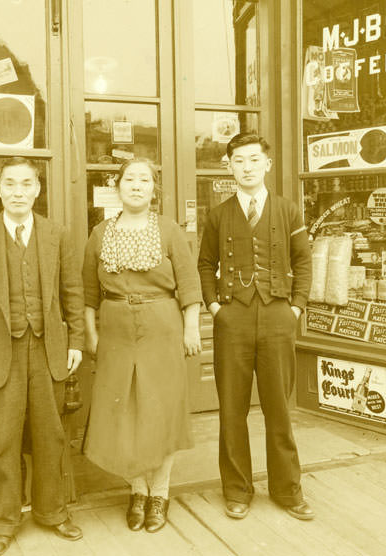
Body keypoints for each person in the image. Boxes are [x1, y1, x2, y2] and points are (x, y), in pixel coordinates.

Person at [0, 157, 85, 556]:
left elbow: (72, 293)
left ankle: (52, 511)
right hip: (0, 354)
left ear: (37, 189)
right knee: (6, 439)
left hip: (48, 351)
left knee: (51, 435)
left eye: (26, 184)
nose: (18, 192)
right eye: (10, 184)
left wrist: (76, 341)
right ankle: (4, 521)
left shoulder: (56, 234)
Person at [197, 132, 315, 522]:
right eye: (238, 161)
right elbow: (204, 264)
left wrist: (296, 307)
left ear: (267, 164)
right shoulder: (218, 214)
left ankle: (288, 491)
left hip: (279, 317)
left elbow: (303, 263)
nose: (246, 167)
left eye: (253, 160)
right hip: (233, 319)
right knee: (232, 409)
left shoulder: (288, 210)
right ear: (229, 167)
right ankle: (237, 490)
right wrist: (215, 307)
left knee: (278, 408)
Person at [81, 159, 202, 533]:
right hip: (116, 330)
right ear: (118, 187)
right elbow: (87, 293)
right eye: (129, 179)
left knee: (160, 411)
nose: (136, 186)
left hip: (162, 327)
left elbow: (189, 283)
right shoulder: (100, 233)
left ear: (154, 189)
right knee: (126, 413)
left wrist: (191, 327)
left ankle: (159, 494)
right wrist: (91, 334)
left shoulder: (168, 230)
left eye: (144, 180)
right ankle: (136, 489)